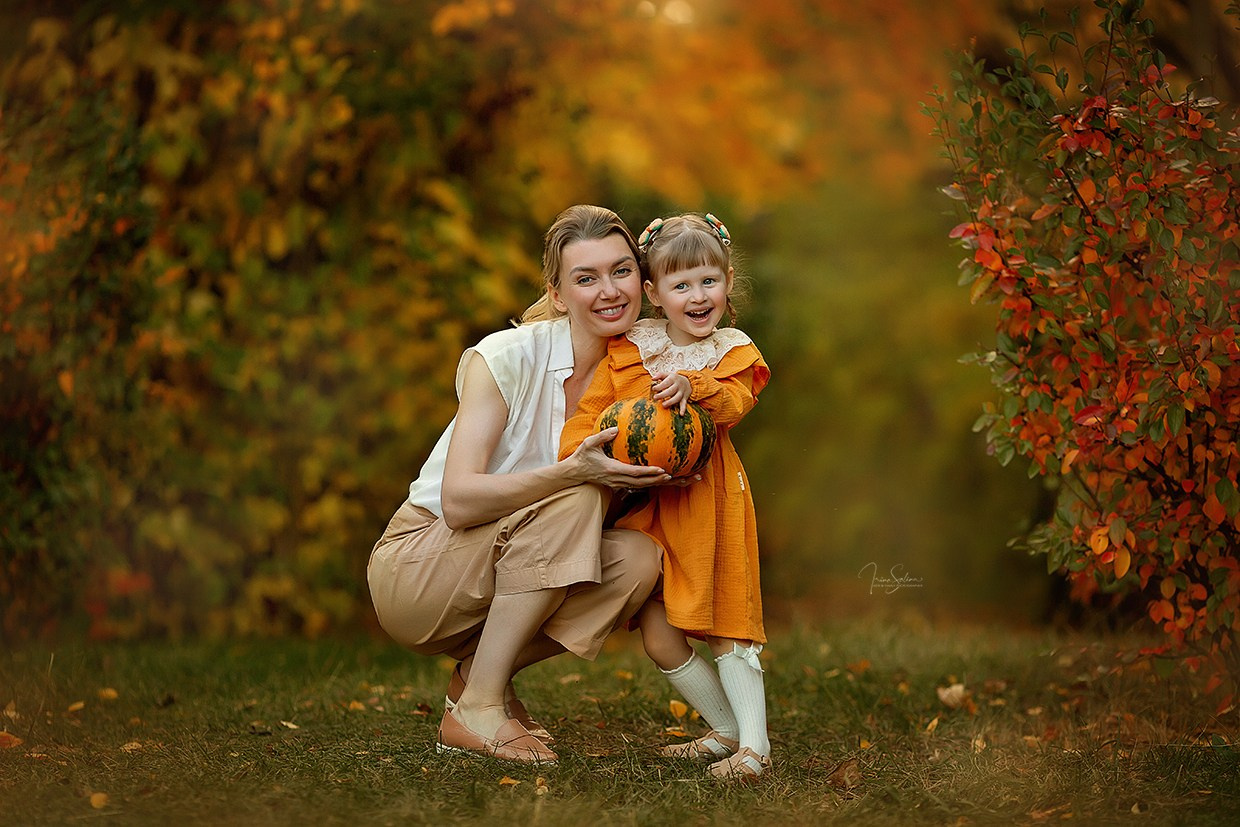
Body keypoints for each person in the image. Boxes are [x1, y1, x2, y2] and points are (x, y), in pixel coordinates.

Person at [367, 205, 673, 764]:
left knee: (639, 559)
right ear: (558, 295)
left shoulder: (646, 370)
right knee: (576, 495)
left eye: (621, 271)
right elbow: (458, 502)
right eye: (586, 278)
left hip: (505, 567)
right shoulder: (504, 358)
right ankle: (479, 709)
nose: (609, 291)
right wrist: (571, 473)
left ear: (643, 280)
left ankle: (476, 676)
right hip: (419, 566)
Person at [559, 212, 773, 780]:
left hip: (710, 501)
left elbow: (735, 404)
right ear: (654, 294)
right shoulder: (632, 349)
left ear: (729, 284)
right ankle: (724, 728)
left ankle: (755, 749)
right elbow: (592, 412)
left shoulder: (732, 353)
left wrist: (693, 386)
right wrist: (582, 454)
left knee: (728, 621)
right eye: (681, 285)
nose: (698, 296)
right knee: (659, 635)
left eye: (709, 281)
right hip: (649, 507)